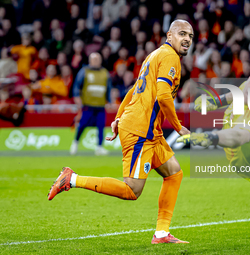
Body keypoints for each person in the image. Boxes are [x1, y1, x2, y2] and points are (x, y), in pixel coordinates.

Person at [48, 20, 193, 244]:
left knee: (174, 173)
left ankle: (162, 233)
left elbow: (135, 88)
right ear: (169, 35)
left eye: (190, 36)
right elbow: (163, 96)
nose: (187, 39)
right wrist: (177, 126)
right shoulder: (170, 57)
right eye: (182, 33)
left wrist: (118, 117)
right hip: (140, 130)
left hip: (147, 129)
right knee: (132, 190)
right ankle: (72, 178)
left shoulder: (154, 55)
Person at [69, 52, 112, 156]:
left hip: (100, 105)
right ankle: (75, 142)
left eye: (98, 59)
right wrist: (76, 97)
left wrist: (109, 101)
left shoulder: (105, 73)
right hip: (88, 104)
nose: (96, 61)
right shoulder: (84, 71)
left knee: (101, 126)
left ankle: (99, 147)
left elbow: (108, 88)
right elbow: (76, 85)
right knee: (83, 124)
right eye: (94, 59)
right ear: (90, 61)